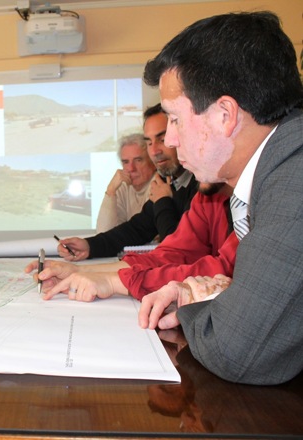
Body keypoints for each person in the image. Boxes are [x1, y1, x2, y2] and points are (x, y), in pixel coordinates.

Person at [138, 11, 303, 385]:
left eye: (175, 120)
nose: (171, 141)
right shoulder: (281, 166)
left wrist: (194, 299)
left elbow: (237, 352)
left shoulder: (295, 180)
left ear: (225, 114)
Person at [27, 182, 237, 301]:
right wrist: (78, 272)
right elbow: (172, 253)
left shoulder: (261, 197)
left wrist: (114, 281)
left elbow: (226, 272)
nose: (172, 141)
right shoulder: (208, 193)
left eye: (177, 121)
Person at [57, 104, 198, 260]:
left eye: (162, 139)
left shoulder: (203, 185)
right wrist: (89, 246)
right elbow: (135, 230)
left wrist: (163, 201)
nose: (155, 151)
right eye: (149, 143)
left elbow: (180, 251)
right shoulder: (168, 182)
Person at [96, 133, 156, 233]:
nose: (131, 168)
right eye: (126, 162)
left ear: (153, 162)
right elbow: (103, 233)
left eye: (138, 160)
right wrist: (110, 191)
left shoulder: (160, 184)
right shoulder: (123, 186)